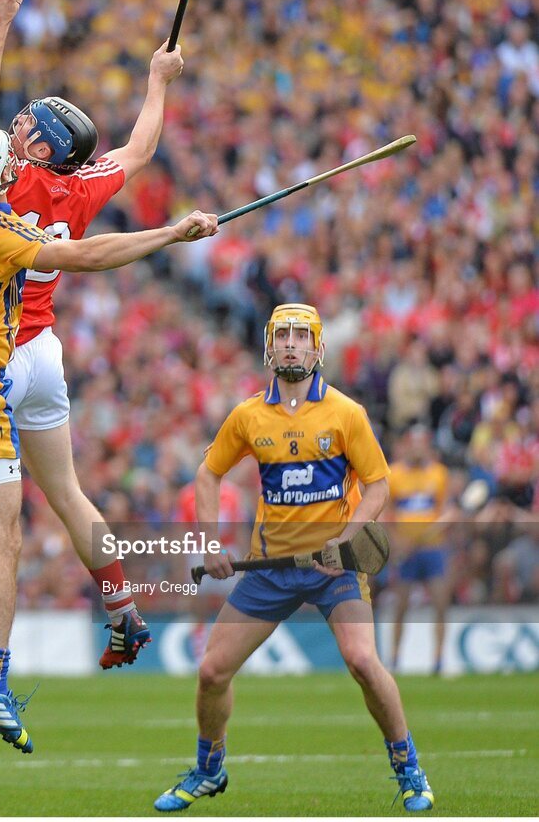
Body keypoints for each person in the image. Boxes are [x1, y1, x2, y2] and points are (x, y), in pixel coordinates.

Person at [0, 0, 218, 754]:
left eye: (25, 122)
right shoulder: (78, 184)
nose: (12, 121)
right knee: (64, 493)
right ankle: (121, 604)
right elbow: (137, 150)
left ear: (33, 149)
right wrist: (156, 82)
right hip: (40, 354)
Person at [154, 303, 434, 813]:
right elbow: (207, 475)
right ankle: (209, 769)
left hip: (334, 569)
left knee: (363, 662)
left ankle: (409, 769)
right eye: (282, 335)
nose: (290, 344)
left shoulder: (347, 413)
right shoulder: (247, 416)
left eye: (301, 336)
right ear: (269, 346)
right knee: (213, 671)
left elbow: (378, 485)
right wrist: (211, 543)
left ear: (317, 347)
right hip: (270, 570)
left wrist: (346, 540)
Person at [387, 424, 451, 674]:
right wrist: (397, 541)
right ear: (405, 445)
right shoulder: (394, 474)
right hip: (405, 551)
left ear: (427, 446)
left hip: (432, 549)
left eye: (421, 443)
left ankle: (438, 660)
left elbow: (445, 511)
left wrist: (436, 529)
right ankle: (394, 659)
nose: (417, 448)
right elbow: (387, 513)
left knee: (440, 603)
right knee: (400, 606)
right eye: (412, 443)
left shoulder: (439, 474)